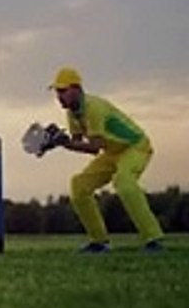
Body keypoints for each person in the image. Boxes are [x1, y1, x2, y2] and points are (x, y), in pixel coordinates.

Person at [48, 67, 164, 253]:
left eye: (63, 91)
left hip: (135, 146)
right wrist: (56, 141)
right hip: (112, 151)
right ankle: (99, 242)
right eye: (57, 92)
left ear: (77, 89)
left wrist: (64, 143)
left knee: (123, 181)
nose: (59, 97)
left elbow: (94, 147)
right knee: (79, 185)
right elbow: (78, 142)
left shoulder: (94, 108)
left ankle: (153, 239)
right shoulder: (72, 113)